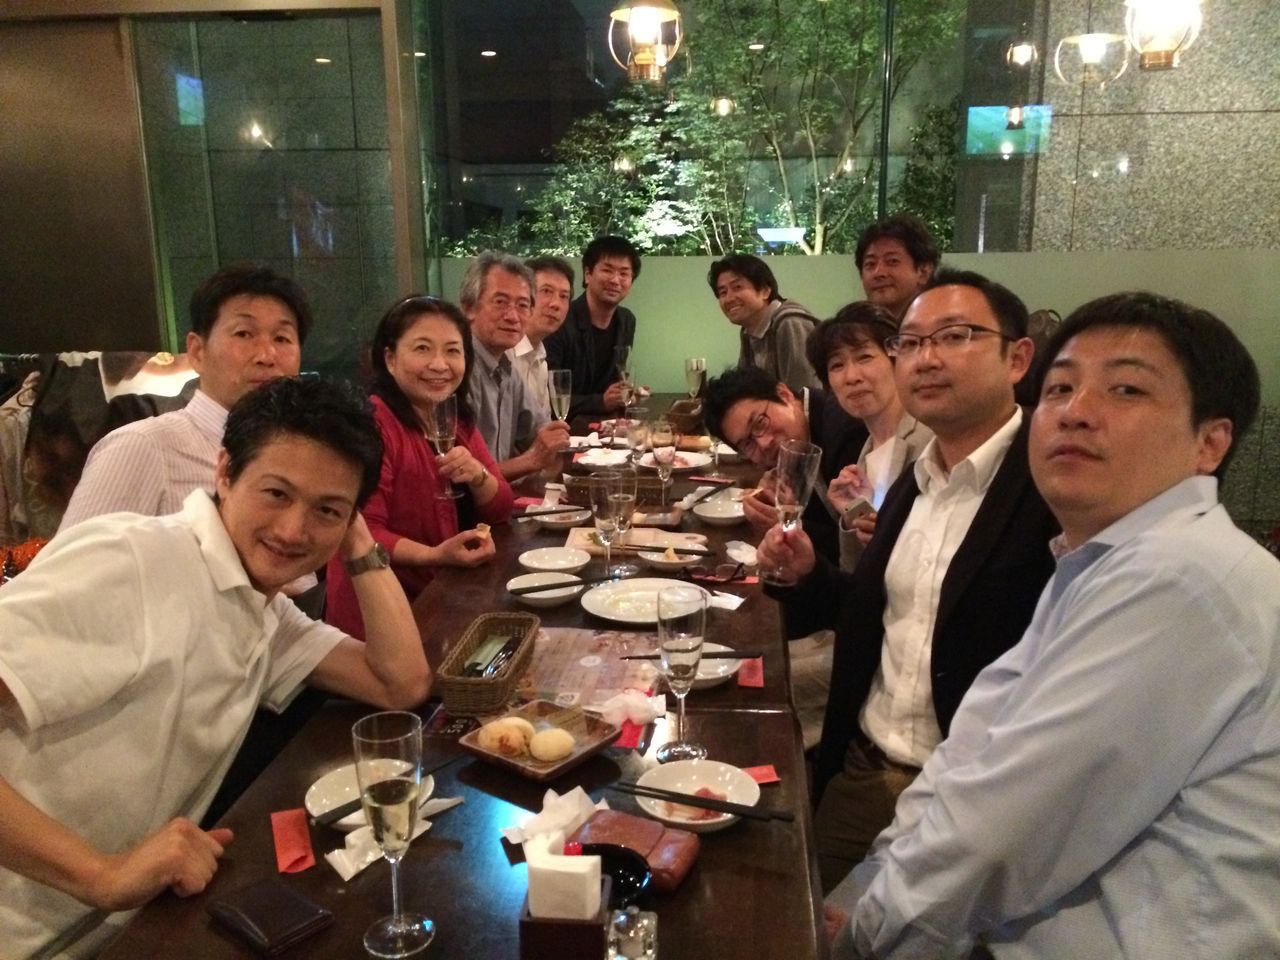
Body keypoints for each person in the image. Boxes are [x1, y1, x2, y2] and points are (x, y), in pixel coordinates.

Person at [828, 292, 1279, 960]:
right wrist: (869, 888)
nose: (1075, 411)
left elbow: (998, 835)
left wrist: (858, 931)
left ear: (1210, 443)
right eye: (1062, 388)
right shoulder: (1097, 560)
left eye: (1126, 389)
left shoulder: (1180, 576)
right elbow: (970, 752)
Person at [0, 377, 431, 958]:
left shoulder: (264, 608)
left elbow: (400, 682)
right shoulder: (136, 559)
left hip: (121, 933)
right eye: (276, 493)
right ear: (224, 472)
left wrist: (356, 540)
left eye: (326, 509)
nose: (292, 530)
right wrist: (101, 874)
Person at [757, 270, 1059, 890]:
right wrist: (809, 573)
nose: (926, 358)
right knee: (784, 905)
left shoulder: (1054, 485)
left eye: (955, 336)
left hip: (974, 799)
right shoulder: (914, 479)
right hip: (865, 769)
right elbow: (883, 611)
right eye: (912, 343)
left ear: (1018, 358)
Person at [59, 263, 309, 529]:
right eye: (244, 334)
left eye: (282, 338)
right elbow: (73, 557)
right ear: (197, 352)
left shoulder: (301, 457)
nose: (267, 356)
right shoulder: (142, 447)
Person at [325, 296, 513, 640]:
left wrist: (478, 476)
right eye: (423, 348)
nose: (440, 364)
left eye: (452, 351)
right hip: (381, 615)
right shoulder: (372, 424)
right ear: (390, 358)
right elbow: (362, 533)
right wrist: (435, 555)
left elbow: (501, 507)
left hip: (444, 596)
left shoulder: (455, 418)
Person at [703, 365, 866, 639]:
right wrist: (787, 508)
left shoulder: (845, 430)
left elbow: (859, 554)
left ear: (785, 394)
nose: (764, 443)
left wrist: (794, 526)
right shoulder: (797, 444)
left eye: (760, 423)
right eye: (747, 444)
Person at [806, 302, 933, 571]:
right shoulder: (865, 456)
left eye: (864, 357)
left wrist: (887, 535)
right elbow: (855, 571)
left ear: (897, 359)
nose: (851, 377)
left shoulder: (931, 440)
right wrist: (852, 517)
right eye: (837, 365)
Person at [459, 252, 570, 481]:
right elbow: (462, 478)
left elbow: (540, 433)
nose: (512, 316)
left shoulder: (506, 368)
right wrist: (530, 461)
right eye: (500, 302)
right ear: (469, 308)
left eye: (522, 305)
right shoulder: (459, 369)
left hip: (504, 496)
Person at [544, 235, 640, 419]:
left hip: (605, 427)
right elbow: (548, 396)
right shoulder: (560, 321)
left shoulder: (627, 320)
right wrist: (600, 402)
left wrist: (623, 393)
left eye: (624, 273)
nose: (615, 280)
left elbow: (618, 377)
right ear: (588, 274)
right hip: (565, 426)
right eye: (607, 270)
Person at [709, 253, 820, 393]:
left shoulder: (789, 322)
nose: (729, 298)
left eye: (737, 287)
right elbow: (744, 390)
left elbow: (806, 395)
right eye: (723, 292)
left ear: (765, 291)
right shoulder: (749, 330)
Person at [512, 255, 575, 412]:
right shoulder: (504, 355)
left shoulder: (541, 359)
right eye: (546, 291)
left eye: (564, 296)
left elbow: (543, 423)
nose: (556, 304)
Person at [854, 214, 939, 320]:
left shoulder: (947, 326)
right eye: (870, 264)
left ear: (924, 272)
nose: (879, 273)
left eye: (892, 261)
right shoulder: (851, 328)